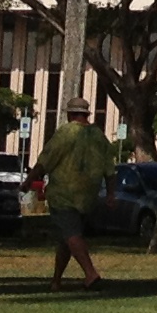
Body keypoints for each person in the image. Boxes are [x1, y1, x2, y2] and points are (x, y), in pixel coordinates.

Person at [39, 100, 111, 288]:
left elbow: (46, 159)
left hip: (63, 193)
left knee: (71, 235)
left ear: (70, 114)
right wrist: (112, 194)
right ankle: (56, 280)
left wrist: (29, 181)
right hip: (88, 195)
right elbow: (110, 170)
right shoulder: (99, 136)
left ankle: (90, 273)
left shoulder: (66, 133)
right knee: (67, 238)